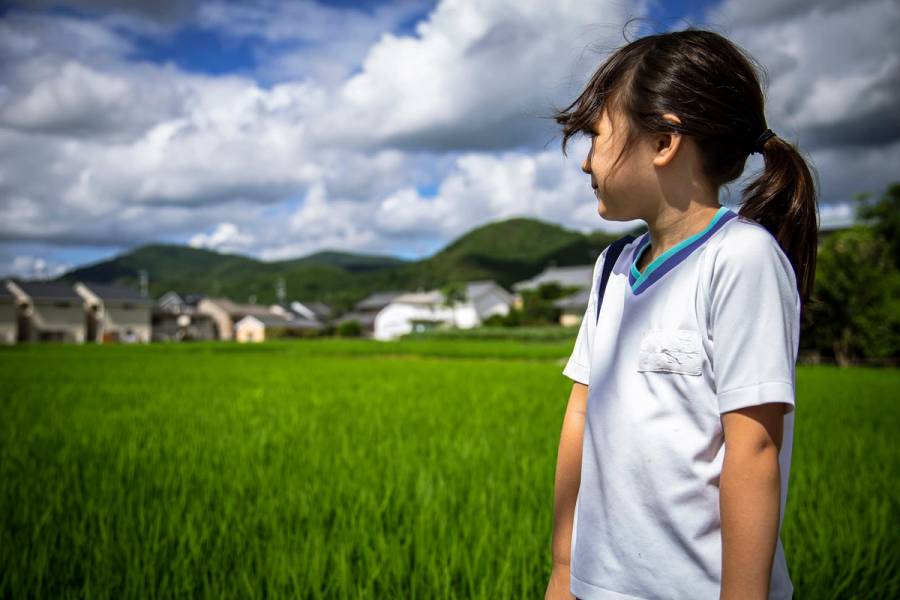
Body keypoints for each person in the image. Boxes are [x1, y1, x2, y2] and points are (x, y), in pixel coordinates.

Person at [544, 27, 819, 600]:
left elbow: (754, 449)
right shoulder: (612, 267)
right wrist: (565, 567)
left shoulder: (740, 258)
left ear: (665, 142)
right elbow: (580, 414)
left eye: (596, 136)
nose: (586, 161)